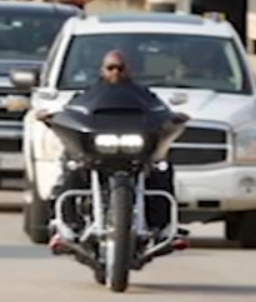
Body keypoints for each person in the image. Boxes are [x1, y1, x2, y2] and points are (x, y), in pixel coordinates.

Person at [38, 50, 181, 238]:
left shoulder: (144, 96)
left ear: (128, 70)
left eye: (120, 68)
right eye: (110, 68)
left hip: (134, 154)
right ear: (102, 70)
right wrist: (53, 118)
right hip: (96, 154)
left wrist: (174, 119)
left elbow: (161, 113)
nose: (115, 72)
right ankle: (67, 223)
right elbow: (71, 113)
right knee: (72, 167)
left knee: (161, 169)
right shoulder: (88, 95)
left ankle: (162, 226)